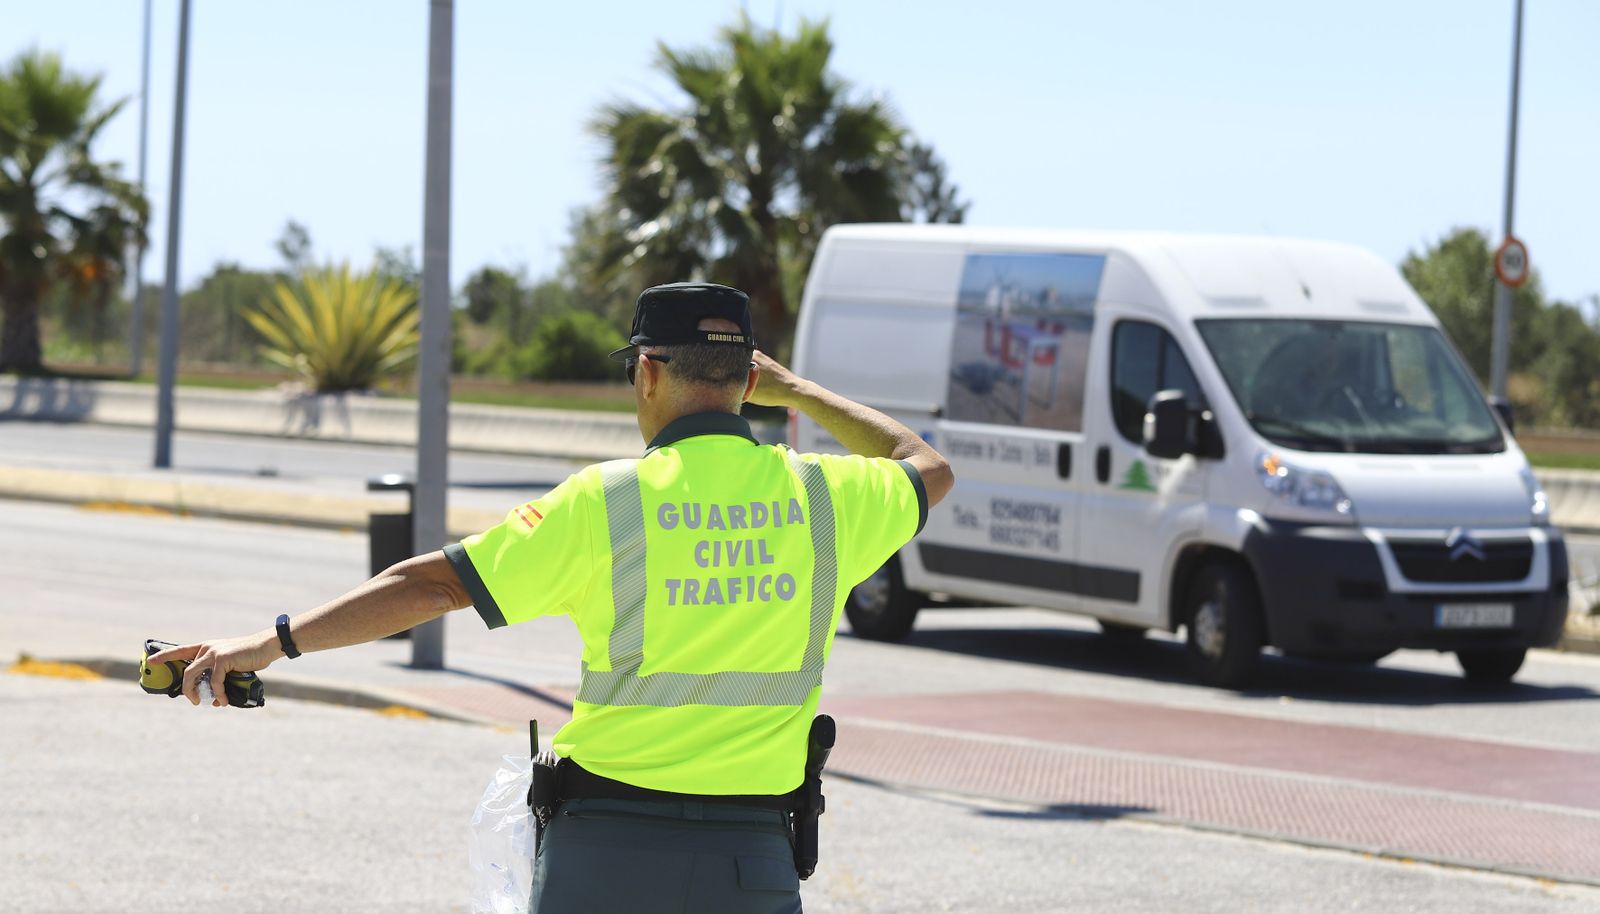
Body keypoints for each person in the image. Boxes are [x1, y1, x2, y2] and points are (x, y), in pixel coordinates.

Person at [149, 281, 953, 913]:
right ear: (750, 378)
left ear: (646, 370)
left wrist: (270, 642)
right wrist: (800, 392)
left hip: (604, 856)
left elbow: (428, 584)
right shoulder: (826, 498)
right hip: (752, 858)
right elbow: (926, 464)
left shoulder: (604, 500)